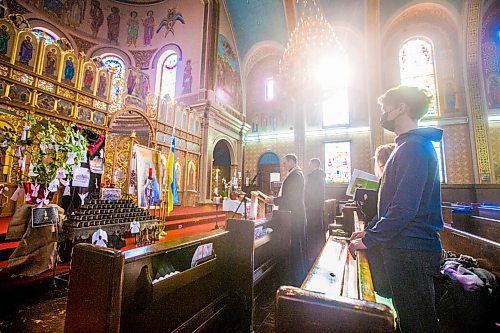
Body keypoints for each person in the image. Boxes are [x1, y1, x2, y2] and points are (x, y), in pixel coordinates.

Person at [349, 86, 444, 333]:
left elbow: (404, 208)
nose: (383, 114)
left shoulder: (413, 147)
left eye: (385, 108)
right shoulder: (406, 146)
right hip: (404, 248)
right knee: (409, 319)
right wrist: (368, 230)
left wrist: (370, 238)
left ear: (401, 108)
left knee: (417, 325)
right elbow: (390, 204)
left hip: (411, 250)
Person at [265, 154, 307, 286]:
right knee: (295, 245)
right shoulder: (296, 174)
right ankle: (294, 277)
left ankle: (296, 280)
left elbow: (291, 198)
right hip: (294, 214)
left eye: (285, 162)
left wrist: (274, 200)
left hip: (294, 215)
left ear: (292, 161)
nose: (283, 165)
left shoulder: (296, 175)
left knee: (296, 246)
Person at [304, 157, 325, 268]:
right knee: (317, 229)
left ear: (315, 165)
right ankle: (317, 251)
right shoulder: (320, 176)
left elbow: (309, 193)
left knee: (312, 230)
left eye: (310, 164)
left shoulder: (314, 177)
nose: (309, 166)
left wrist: (306, 203)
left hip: (312, 206)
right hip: (317, 206)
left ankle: (312, 257)